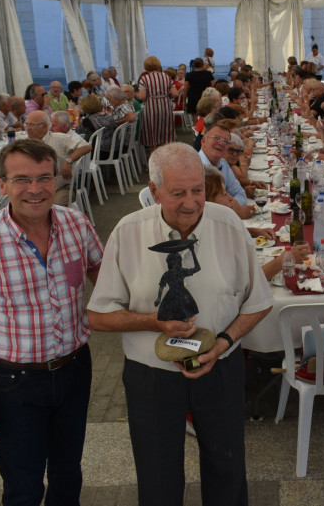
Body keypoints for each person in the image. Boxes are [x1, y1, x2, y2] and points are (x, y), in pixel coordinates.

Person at [86, 142, 273, 506]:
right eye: (177, 193)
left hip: (219, 366)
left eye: (197, 190)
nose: (190, 202)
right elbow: (98, 316)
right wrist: (152, 323)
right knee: (157, 474)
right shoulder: (128, 231)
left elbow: (259, 302)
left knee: (227, 464)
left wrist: (222, 343)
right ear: (154, 191)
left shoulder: (229, 224)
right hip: (151, 373)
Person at [0, 139, 103, 505]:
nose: (34, 189)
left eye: (43, 178)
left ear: (56, 179)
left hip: (74, 369)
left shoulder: (76, 224)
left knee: (69, 472)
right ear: (2, 184)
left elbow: (109, 279)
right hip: (14, 382)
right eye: (21, 179)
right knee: (23, 484)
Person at [137, 55, 179, 155]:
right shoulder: (167, 77)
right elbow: (175, 94)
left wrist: (137, 95)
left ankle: (154, 164)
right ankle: (167, 162)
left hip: (151, 109)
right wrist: (165, 95)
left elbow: (142, 96)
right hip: (165, 108)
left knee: (152, 138)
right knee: (166, 137)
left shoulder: (144, 79)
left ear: (146, 66)